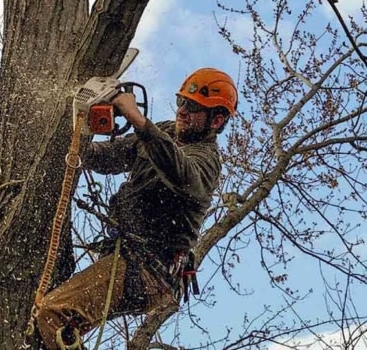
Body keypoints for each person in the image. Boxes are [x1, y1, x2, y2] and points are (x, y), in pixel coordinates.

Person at [35, 67, 238, 349]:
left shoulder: (205, 160)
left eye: (193, 107)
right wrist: (78, 139)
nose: (183, 111)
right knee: (51, 327)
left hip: (147, 270)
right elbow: (111, 157)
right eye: (182, 102)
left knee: (53, 313)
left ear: (216, 120)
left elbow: (180, 172)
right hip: (124, 258)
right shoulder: (165, 131)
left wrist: (138, 121)